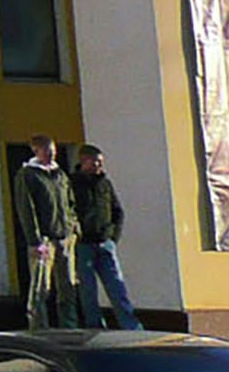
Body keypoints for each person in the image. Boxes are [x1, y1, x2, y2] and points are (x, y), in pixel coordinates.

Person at [13, 135, 80, 329]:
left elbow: (69, 202)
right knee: (41, 288)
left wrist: (73, 227)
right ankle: (39, 328)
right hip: (44, 240)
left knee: (67, 286)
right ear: (36, 151)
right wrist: (35, 240)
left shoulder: (60, 175)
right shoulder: (27, 175)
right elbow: (27, 209)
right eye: (47, 151)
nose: (51, 155)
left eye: (53, 151)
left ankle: (70, 327)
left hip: (64, 236)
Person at [73, 145, 137, 330]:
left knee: (117, 287)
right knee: (88, 291)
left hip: (105, 243)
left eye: (101, 162)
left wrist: (113, 237)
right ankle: (95, 327)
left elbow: (117, 211)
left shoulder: (104, 183)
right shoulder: (72, 183)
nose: (99, 165)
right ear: (84, 161)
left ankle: (130, 326)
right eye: (96, 161)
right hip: (83, 244)